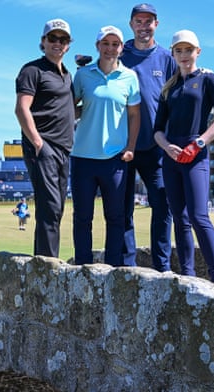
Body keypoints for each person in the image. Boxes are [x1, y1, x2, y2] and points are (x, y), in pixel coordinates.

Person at [153, 30, 214, 285]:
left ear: (198, 51)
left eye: (188, 50)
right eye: (179, 51)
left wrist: (199, 143)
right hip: (172, 158)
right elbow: (157, 130)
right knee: (180, 218)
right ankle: (188, 276)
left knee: (198, 216)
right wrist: (167, 147)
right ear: (173, 54)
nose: (184, 55)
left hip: (195, 155)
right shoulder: (169, 87)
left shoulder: (208, 79)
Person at [71, 25, 140, 266]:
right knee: (82, 218)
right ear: (98, 46)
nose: (110, 49)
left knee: (116, 217)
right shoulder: (83, 75)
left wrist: (131, 146)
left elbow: (134, 115)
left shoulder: (129, 77)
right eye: (106, 44)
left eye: (115, 44)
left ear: (121, 48)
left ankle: (113, 269)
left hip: (114, 160)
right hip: (82, 157)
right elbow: (70, 107)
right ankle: (82, 266)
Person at [120, 3, 177, 271]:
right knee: (122, 209)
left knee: (163, 204)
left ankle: (162, 266)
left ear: (157, 24)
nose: (144, 26)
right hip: (123, 145)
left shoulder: (167, 59)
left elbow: (177, 99)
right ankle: (127, 266)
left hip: (156, 146)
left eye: (149, 21)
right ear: (131, 24)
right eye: (139, 21)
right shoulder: (120, 54)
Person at [15, 18, 75, 258]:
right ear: (43, 42)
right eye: (53, 38)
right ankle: (48, 269)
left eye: (63, 39)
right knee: (49, 209)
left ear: (68, 45)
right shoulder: (32, 70)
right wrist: (39, 143)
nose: (57, 43)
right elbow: (21, 109)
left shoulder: (67, 75)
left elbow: (67, 108)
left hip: (64, 149)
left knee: (57, 209)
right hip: (44, 147)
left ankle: (44, 262)